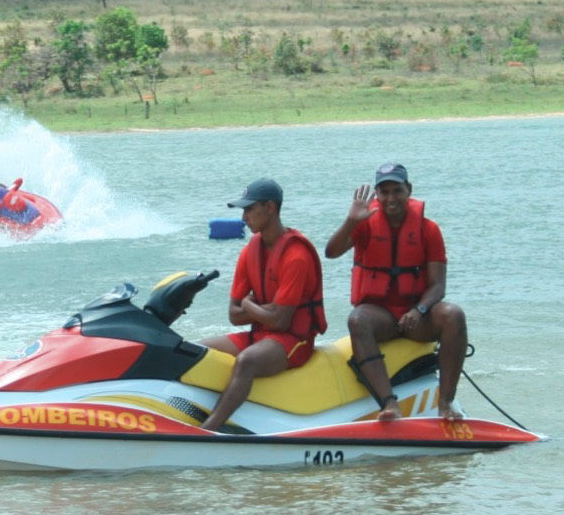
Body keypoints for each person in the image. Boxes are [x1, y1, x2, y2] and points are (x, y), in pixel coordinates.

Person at [324, 163, 468, 421]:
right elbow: (331, 252)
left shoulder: (428, 229)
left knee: (454, 315)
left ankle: (445, 403)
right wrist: (350, 221)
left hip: (418, 315)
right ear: (377, 195)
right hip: (381, 315)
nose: (391, 198)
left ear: (408, 190)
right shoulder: (364, 223)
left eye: (397, 191)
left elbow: (438, 286)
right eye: (384, 192)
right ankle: (389, 404)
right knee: (357, 319)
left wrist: (419, 309)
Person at [198, 178, 327, 431]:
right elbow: (233, 316)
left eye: (249, 209)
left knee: (246, 361)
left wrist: (250, 306)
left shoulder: (296, 256)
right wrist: (261, 310)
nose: (244, 216)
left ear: (270, 207)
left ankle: (208, 429)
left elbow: (281, 321)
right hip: (260, 334)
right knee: (195, 351)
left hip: (294, 340)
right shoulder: (249, 252)